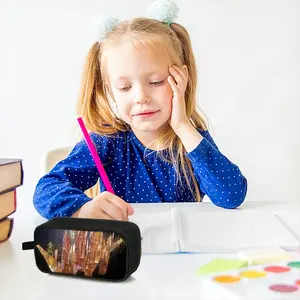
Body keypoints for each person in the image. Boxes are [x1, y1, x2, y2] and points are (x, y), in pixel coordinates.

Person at [33, 0, 247, 221]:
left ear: (181, 80)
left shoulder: (192, 141)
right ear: (111, 91)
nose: (141, 97)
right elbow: (45, 190)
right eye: (125, 87)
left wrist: (183, 126)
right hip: (126, 250)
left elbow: (231, 195)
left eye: (155, 82)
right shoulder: (106, 142)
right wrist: (82, 208)